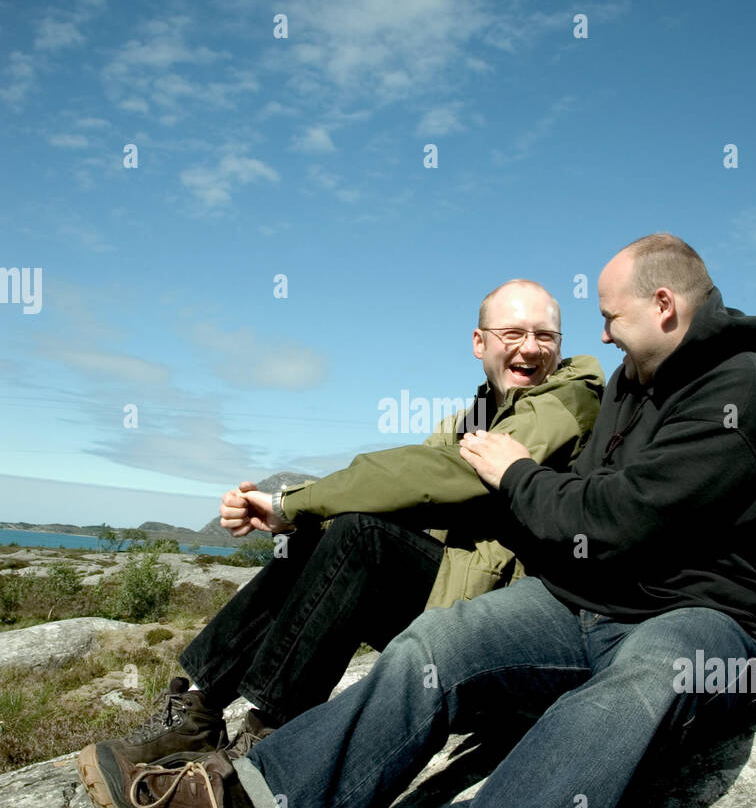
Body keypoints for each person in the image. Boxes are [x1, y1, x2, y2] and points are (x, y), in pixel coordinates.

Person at [77, 234, 756, 808]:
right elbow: (550, 499)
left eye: (607, 316)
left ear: (664, 306)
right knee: (443, 639)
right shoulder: (632, 378)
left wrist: (516, 475)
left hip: (710, 622)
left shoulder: (742, 393)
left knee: (639, 683)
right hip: (590, 602)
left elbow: (614, 516)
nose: (599, 333)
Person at [86, 279, 603, 766]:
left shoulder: (567, 401)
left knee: (361, 538)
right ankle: (197, 710)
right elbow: (392, 488)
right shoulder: (475, 417)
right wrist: (289, 518)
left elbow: (438, 474)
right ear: (479, 342)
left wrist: (295, 502)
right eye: (513, 333)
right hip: (458, 600)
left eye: (544, 335)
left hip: (509, 631)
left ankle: (266, 743)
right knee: (325, 537)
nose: (530, 348)